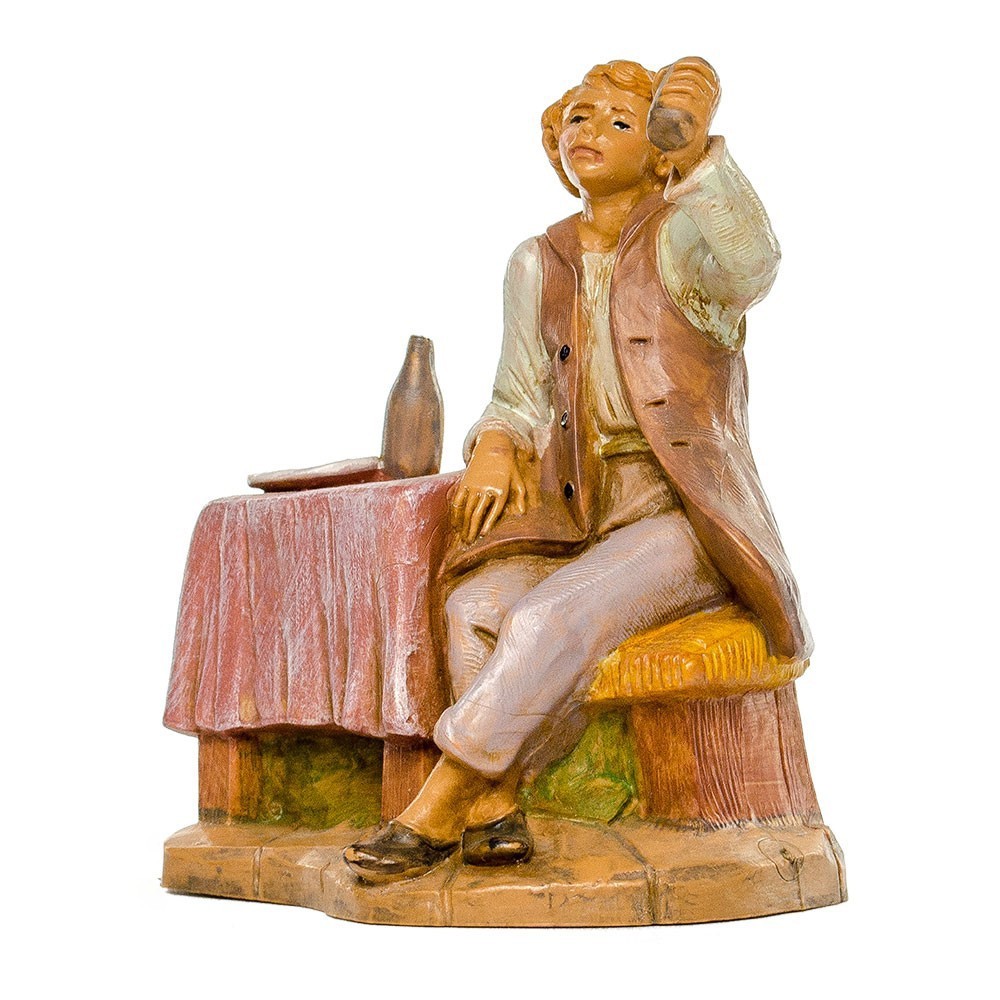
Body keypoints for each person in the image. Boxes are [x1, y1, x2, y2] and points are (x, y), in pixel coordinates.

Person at [345, 57, 811, 883]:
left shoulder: (684, 239)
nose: (589, 132)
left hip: (681, 513)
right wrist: (496, 444)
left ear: (658, 149)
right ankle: (497, 807)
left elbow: (753, 266)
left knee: (546, 618)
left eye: (619, 122)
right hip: (578, 511)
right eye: (577, 119)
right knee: (474, 606)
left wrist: (700, 157)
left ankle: (439, 803)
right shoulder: (538, 259)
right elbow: (516, 394)